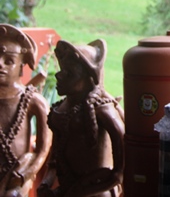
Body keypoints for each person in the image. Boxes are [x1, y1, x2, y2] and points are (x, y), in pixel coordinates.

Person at [37, 39, 125, 197]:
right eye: (62, 70)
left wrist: (80, 191)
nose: (59, 75)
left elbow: (119, 174)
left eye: (70, 73)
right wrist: (46, 183)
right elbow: (54, 161)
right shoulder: (62, 110)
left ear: (89, 79)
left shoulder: (103, 111)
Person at [0, 24, 51, 197]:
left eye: (9, 61)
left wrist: (25, 174)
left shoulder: (32, 100)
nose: (0, 65)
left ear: (22, 66)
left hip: (17, 175)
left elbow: (44, 147)